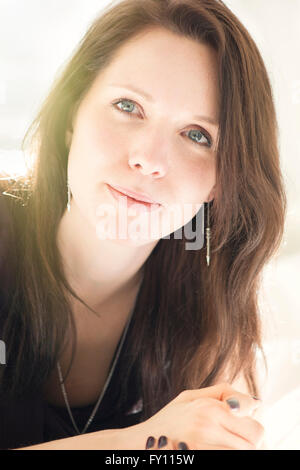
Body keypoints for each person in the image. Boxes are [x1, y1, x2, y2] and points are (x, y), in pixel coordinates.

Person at [0, 0, 286, 450]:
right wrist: (143, 442)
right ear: (72, 112)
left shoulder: (207, 317)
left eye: (196, 135)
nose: (148, 160)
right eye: (127, 106)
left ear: (221, 180)